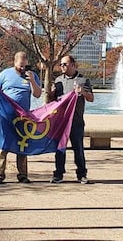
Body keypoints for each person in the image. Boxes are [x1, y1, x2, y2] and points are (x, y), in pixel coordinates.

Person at [0, 51, 42, 184]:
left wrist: (31, 81)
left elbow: (37, 94)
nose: (22, 68)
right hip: (6, 116)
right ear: (15, 62)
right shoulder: (5, 74)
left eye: (25, 66)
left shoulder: (32, 76)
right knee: (3, 145)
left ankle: (23, 174)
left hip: (23, 117)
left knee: (23, 145)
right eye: (20, 66)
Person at [48, 55, 94, 184]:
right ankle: (58, 174)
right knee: (60, 149)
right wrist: (51, 93)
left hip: (76, 122)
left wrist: (82, 92)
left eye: (64, 64)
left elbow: (91, 98)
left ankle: (81, 174)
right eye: (61, 64)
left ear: (73, 65)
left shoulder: (83, 80)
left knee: (78, 148)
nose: (62, 66)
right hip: (61, 122)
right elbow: (52, 101)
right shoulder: (58, 80)